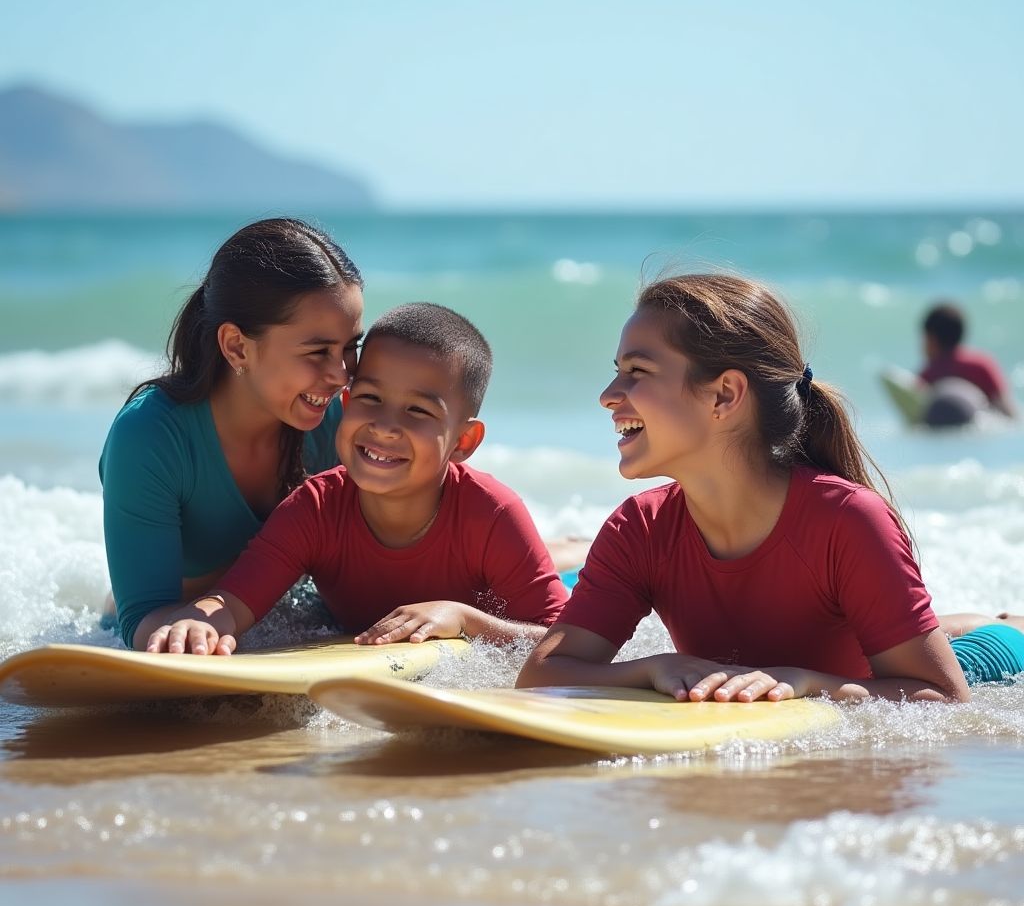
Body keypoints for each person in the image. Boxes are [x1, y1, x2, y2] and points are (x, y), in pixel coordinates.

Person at [518, 274, 1024, 703]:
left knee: (996, 637)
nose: (609, 396)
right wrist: (651, 667)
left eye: (637, 372)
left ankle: (1000, 623)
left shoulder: (847, 520)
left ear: (725, 394)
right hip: (858, 654)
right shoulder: (640, 528)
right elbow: (541, 676)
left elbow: (942, 698)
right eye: (617, 373)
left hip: (957, 659)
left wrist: (806, 682)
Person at [145, 302, 568, 655]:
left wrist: (463, 619)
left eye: (418, 411)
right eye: (370, 399)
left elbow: (564, 638)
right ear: (345, 403)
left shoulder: (492, 515)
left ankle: (572, 547)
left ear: (464, 440)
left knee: (567, 570)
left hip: (494, 596)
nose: (385, 427)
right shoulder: (314, 508)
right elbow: (233, 602)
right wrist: (197, 625)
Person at [100, 218, 365, 651]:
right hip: (160, 632)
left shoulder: (331, 421)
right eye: (318, 351)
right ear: (237, 346)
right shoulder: (149, 437)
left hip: (271, 622)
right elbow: (142, 615)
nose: (340, 374)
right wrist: (197, 637)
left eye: (349, 348)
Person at [917, 302, 1017, 426]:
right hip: (983, 427)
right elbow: (1008, 410)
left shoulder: (928, 374)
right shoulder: (982, 364)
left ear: (931, 339)